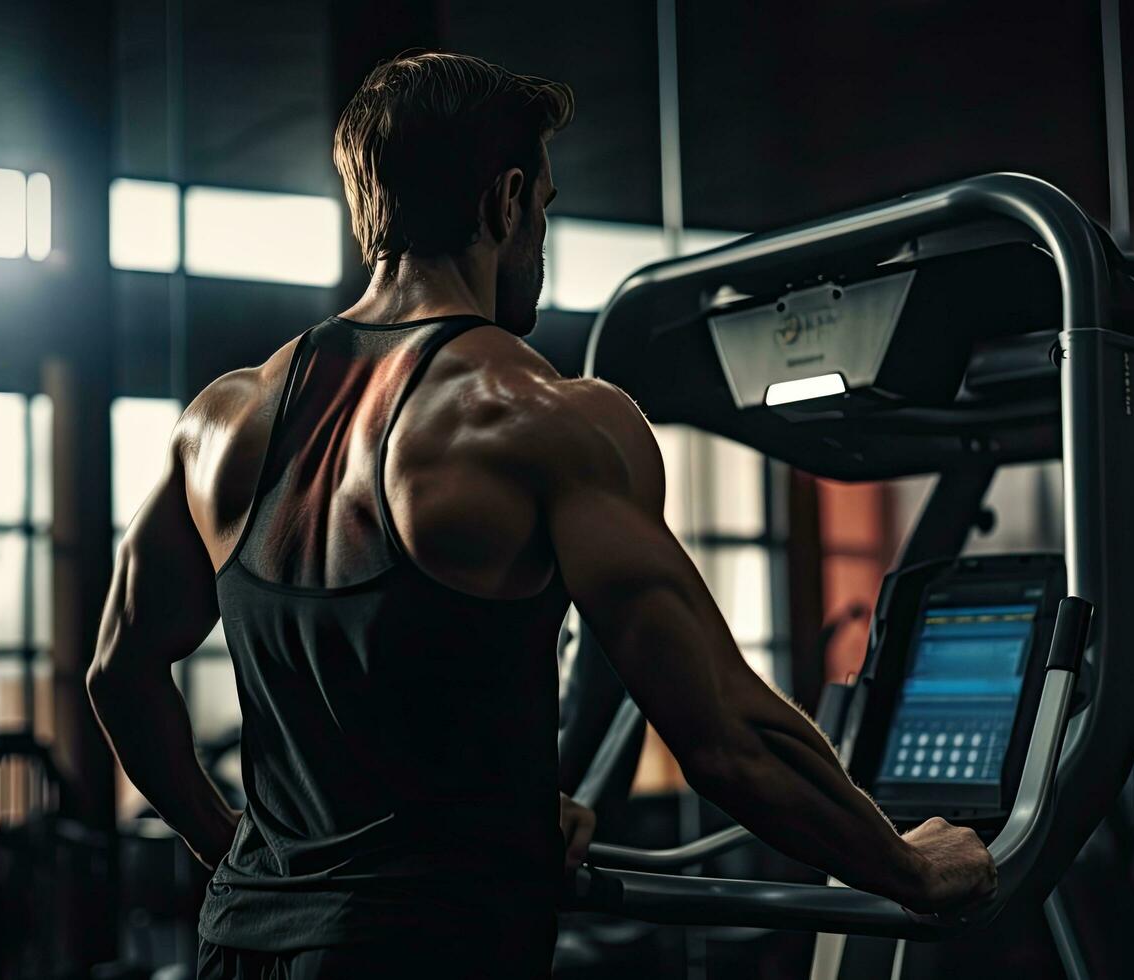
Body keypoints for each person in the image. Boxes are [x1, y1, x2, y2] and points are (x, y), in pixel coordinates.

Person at [85, 50, 996, 979]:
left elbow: (118, 672)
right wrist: (910, 866)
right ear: (505, 201)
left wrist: (240, 853)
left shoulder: (222, 419)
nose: (541, 240)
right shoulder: (541, 420)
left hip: (239, 945)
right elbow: (726, 736)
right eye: (546, 210)